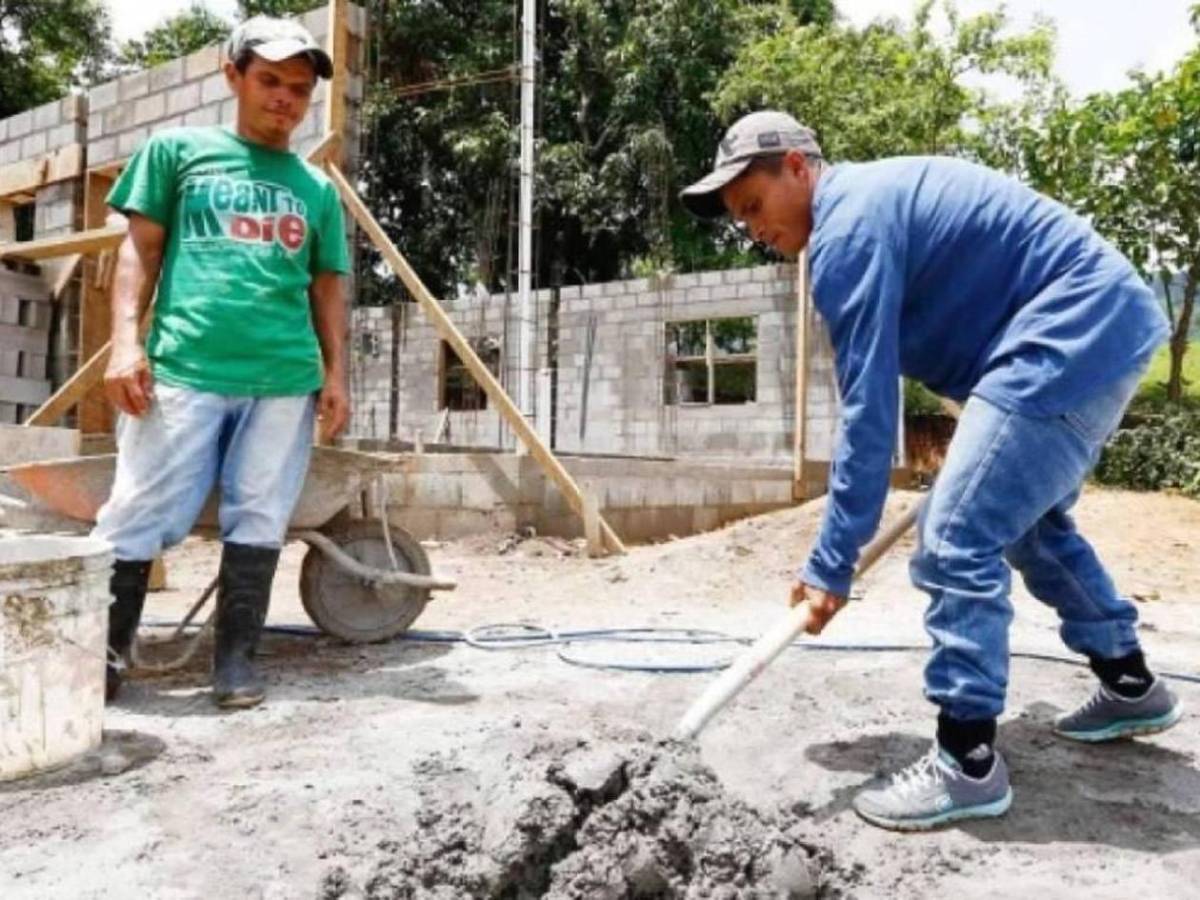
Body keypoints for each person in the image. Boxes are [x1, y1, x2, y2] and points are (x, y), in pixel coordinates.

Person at [680, 110, 1183, 831]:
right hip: (1094, 324)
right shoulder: (862, 214)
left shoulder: (845, 232)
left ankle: (966, 760)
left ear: (797, 166)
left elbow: (868, 416)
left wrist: (831, 565)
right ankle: (1129, 680)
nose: (753, 229)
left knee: (954, 532)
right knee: (1024, 524)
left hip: (1073, 324)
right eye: (740, 220)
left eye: (754, 206)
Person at [94, 16, 351, 710]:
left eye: (299, 90)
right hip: (185, 369)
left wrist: (336, 373)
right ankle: (106, 659)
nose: (285, 100)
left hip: (284, 379)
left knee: (260, 514)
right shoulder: (178, 152)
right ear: (232, 74)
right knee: (137, 512)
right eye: (270, 81)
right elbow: (137, 252)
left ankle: (234, 661)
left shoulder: (315, 188)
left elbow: (327, 284)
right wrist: (125, 341)